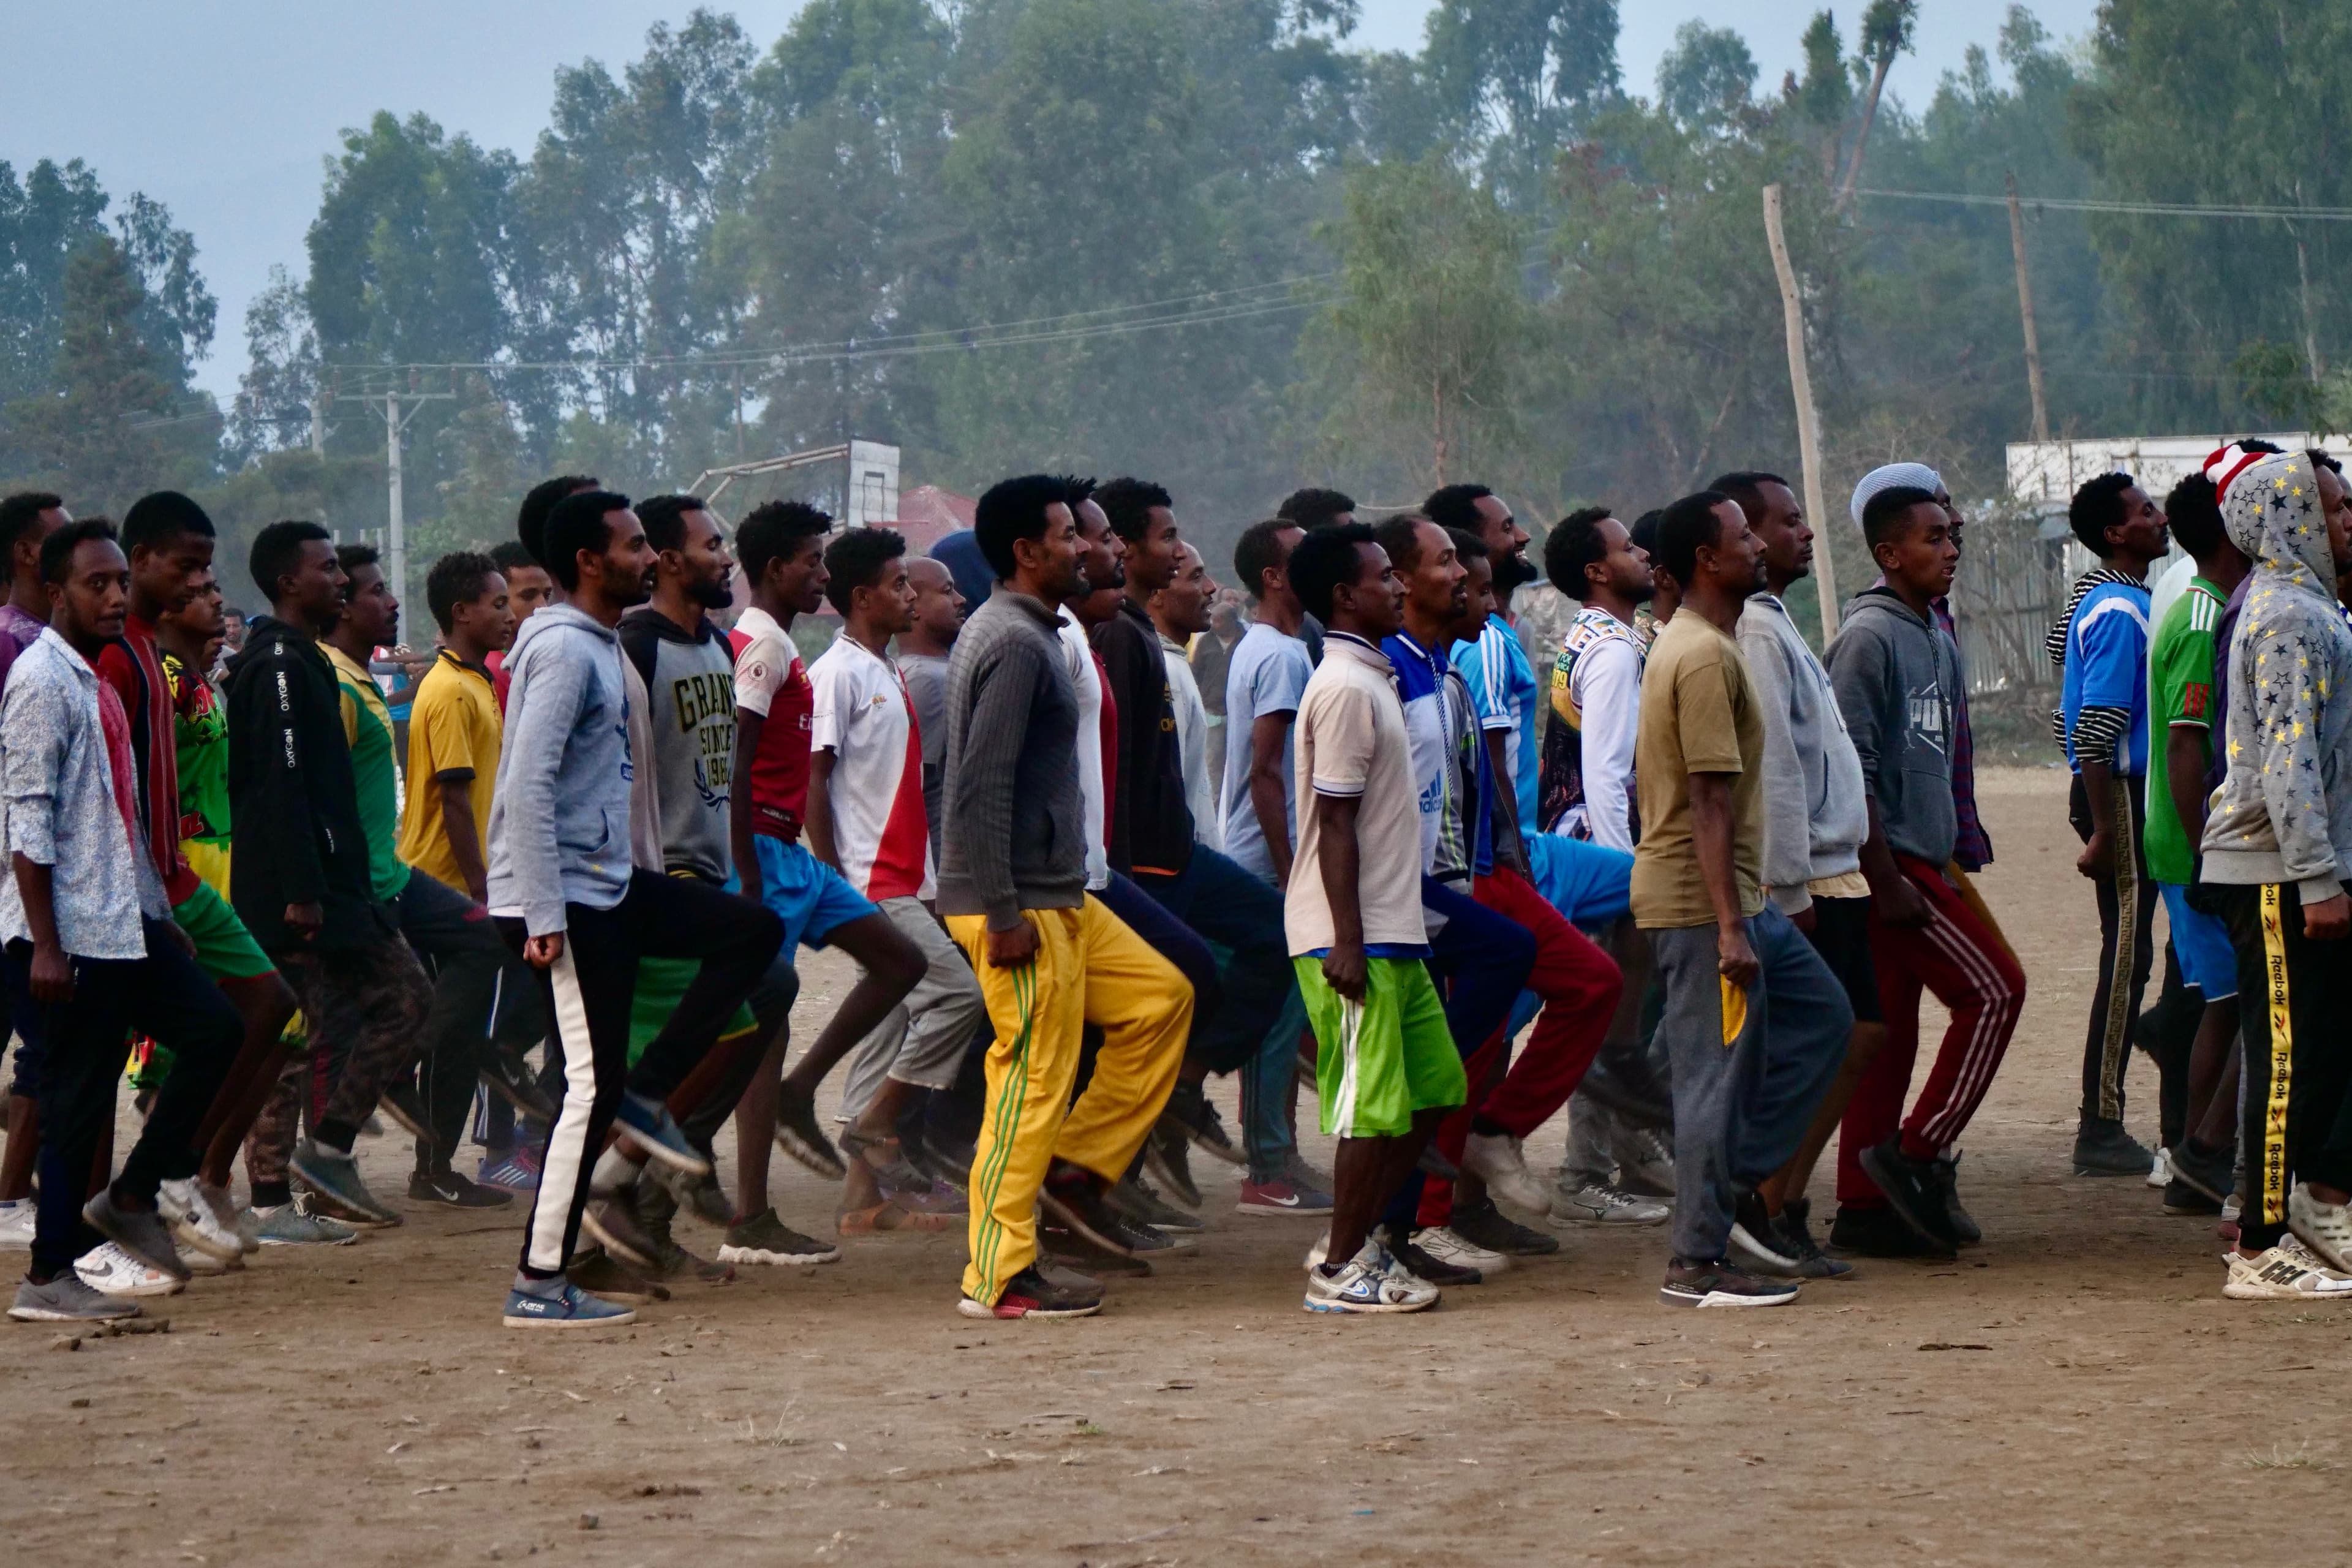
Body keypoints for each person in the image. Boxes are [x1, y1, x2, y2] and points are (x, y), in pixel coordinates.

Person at [487, 489, 785, 1329]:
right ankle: (538, 1282)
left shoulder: (601, 646)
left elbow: (620, 784)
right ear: (589, 561)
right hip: (562, 901)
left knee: (752, 935)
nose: (648, 558)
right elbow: (526, 788)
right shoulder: (562, 652)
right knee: (588, 1089)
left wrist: (637, 877)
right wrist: (542, 912)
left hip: (608, 886)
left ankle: (651, 1097)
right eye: (631, 547)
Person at [938, 475, 1193, 1320]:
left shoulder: (1038, 632)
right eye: (1067, 535)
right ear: (1026, 552)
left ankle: (1074, 1171)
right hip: (1016, 902)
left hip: (1060, 895)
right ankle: (999, 1277)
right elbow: (980, 786)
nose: (1088, 547)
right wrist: (1003, 911)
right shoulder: (1013, 643)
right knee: (1030, 1082)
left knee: (1163, 998)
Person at [4, 519, 243, 1321]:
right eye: (93, 584)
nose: (110, 597)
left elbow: (120, 812)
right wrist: (42, 941)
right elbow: (27, 821)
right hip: (65, 933)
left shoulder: (92, 680)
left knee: (216, 1027)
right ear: (54, 591)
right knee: (77, 1101)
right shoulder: (41, 680)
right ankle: (50, 1275)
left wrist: (156, 912)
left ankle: (135, 1192)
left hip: (120, 921)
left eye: (115, 583)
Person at [1634, 491, 1850, 1308]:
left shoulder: (1706, 644)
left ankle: (1719, 1177)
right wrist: (1731, 924)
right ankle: (1695, 1259)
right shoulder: (1702, 657)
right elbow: (1709, 801)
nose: (1759, 546)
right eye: (1741, 538)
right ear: (1703, 559)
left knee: (1823, 1017)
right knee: (1708, 1083)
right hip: (1703, 903)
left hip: (1736, 894)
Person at [1094, 478, 1311, 1219]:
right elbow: (1113, 769)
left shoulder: (1155, 647)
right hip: (1143, 868)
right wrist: (1114, 882)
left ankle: (1181, 1090)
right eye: (1169, 541)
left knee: (1266, 948)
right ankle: (1107, 1176)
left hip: (1177, 855)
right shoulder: (1121, 638)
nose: (1192, 565)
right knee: (1148, 1006)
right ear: (1127, 551)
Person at [96, 493, 303, 1257]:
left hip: (185, 874)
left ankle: (177, 1179)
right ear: (139, 558)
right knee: (121, 1053)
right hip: (150, 878)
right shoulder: (122, 658)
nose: (202, 585)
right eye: (187, 568)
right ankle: (125, 1207)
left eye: (209, 572)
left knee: (271, 1010)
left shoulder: (159, 657)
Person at [1823, 486, 2027, 1257]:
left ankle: (1863, 1206)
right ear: (1888, 553)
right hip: (1892, 864)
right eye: (1934, 538)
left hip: (1923, 854)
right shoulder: (1868, 637)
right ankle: (1916, 1155)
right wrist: (1884, 876)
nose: (1952, 550)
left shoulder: (1932, 631)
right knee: (1997, 989)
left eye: (1953, 536)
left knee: (1890, 1035)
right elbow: (1852, 769)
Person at [724, 500, 927, 1261]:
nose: (823, 573)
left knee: (900, 962)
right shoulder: (761, 648)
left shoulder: (782, 642)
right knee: (763, 1029)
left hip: (795, 859)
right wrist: (745, 873)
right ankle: (750, 1218)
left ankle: (800, 1091)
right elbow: (736, 765)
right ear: (777, 569)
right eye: (812, 561)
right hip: (766, 858)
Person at [221, 523, 434, 1230]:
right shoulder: (277, 664)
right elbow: (282, 786)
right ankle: (272, 1198)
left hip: (338, 887)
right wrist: (302, 892)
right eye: (327, 569)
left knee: (406, 999)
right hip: (293, 893)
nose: (340, 581)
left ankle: (332, 1148)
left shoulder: (307, 659)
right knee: (291, 1036)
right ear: (289, 582)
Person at [1282, 521, 1463, 1313]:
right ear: (1344, 597)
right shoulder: (1349, 688)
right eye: (1383, 577)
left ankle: (1363, 1243)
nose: (1397, 587)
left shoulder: (1372, 675)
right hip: (1350, 936)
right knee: (1367, 1105)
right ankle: (1340, 1271)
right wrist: (1348, 940)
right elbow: (1334, 821)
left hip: (1393, 929)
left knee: (1434, 1089)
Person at [2193, 443, 2352, 1298]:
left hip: (2299, 869)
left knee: (2317, 1047)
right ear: (2288, 519)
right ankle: (2256, 1250)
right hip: (2271, 869)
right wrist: (2319, 879)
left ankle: (2312, 1213)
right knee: (2281, 1056)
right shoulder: (2288, 617)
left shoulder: (2312, 606)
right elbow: (2288, 762)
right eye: (2333, 507)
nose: (2347, 521)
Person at [320, 543, 517, 1208]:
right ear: (461, 612)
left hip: (449, 878)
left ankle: (433, 1159)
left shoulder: (474, 680)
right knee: (448, 1026)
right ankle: (413, 1103)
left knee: (462, 1027)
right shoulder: (445, 690)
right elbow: (454, 799)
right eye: (500, 603)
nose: (511, 614)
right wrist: (483, 888)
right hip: (440, 878)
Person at [805, 527, 984, 1232]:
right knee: (956, 995)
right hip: (868, 881)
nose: (911, 596)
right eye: (900, 584)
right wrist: (830, 882)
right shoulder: (837, 674)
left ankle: (862, 1200)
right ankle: (879, 1124)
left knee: (890, 1014)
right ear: (861, 597)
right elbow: (815, 781)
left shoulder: (886, 672)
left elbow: (904, 792)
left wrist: (933, 885)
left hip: (909, 877)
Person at [1719, 471, 1872, 1276]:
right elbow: (1772, 769)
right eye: (1781, 524)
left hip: (1834, 866)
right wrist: (1788, 887)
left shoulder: (1776, 623)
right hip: (1809, 875)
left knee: (1853, 1033)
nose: (1802, 534)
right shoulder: (1754, 633)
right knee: (1827, 1036)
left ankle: (1777, 1203)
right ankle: (1765, 1206)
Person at [2054, 472, 2170, 1175]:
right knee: (2127, 955)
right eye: (2145, 512)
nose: (2160, 518)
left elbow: (2057, 650)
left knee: (2135, 953)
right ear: (2114, 535)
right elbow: (2098, 728)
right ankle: (2099, 1123)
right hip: (2118, 793)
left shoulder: (2101, 596)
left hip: (2118, 792)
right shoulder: (2122, 612)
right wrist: (2103, 826)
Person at [2140, 474, 2247, 1216]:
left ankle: (2199, 1154)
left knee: (2223, 997)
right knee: (2231, 1000)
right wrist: (2206, 851)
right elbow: (2186, 743)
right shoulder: (2204, 614)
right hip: (2192, 841)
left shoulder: (2200, 605)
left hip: (2188, 837)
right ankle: (2199, 1159)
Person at [0, 491, 72, 1246]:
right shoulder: (10, 645)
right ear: (29, 553)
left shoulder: (41, 642)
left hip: (24, 880)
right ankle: (14, 1195)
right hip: (14, 877)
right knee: (43, 1051)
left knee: (39, 1050)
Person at [1219, 519, 1313, 888]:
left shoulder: (1272, 646)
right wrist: (1289, 874)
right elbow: (1265, 771)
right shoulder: (1278, 656)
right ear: (1273, 578)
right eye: (1304, 559)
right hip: (1271, 868)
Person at [896, 555, 966, 865]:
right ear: (914, 605)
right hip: (940, 863)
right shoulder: (926, 679)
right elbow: (924, 788)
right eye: (947, 590)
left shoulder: (939, 670)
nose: (960, 600)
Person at [1151, 541, 1221, 852]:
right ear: (1157, 594)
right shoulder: (1164, 668)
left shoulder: (1174, 660)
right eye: (1195, 578)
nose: (1210, 588)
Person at [1191, 594, 1240, 790]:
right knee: (1213, 765)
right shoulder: (1206, 641)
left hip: (1238, 713)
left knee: (1237, 764)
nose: (1214, 624)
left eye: (1219, 620)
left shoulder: (1245, 641)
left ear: (1232, 621)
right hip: (1212, 712)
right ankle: (1215, 810)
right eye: (1213, 619)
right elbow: (1196, 673)